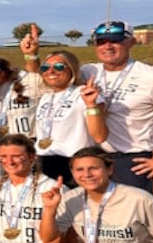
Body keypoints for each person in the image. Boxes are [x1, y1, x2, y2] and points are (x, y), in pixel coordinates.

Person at [79, 21, 153, 194]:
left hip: (130, 162)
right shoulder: (88, 71)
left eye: (115, 40)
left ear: (131, 42)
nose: (107, 46)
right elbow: (47, 78)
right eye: (101, 41)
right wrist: (32, 55)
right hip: (91, 158)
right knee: (90, 215)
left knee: (131, 218)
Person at [33, 50, 107, 187]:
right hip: (44, 161)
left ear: (72, 69)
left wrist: (91, 105)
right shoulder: (45, 98)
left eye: (59, 67)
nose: (51, 71)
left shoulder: (83, 93)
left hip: (74, 162)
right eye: (45, 68)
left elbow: (99, 136)